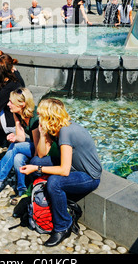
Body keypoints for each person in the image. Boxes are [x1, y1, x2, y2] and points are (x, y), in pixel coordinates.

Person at [20, 98, 102, 247]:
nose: (37, 118)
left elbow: (64, 170)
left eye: (40, 115)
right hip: (74, 167)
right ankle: (44, 198)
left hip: (89, 177)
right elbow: (41, 155)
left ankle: (63, 226)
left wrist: (37, 170)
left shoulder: (66, 131)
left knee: (55, 182)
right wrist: (43, 133)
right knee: (36, 161)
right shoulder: (58, 128)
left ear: (48, 116)